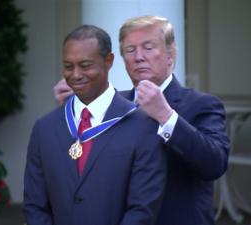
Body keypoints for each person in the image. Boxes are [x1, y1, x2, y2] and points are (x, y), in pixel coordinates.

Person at [54, 16, 230, 225]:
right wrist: (74, 112)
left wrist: (165, 116)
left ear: (170, 55)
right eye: (130, 50)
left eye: (148, 47)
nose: (138, 57)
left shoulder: (203, 104)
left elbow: (214, 165)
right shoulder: (112, 105)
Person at [23, 24, 166, 225]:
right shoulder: (44, 128)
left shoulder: (142, 126)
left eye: (85, 65)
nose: (75, 75)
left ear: (109, 61)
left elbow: (143, 209)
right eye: (68, 66)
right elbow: (34, 205)